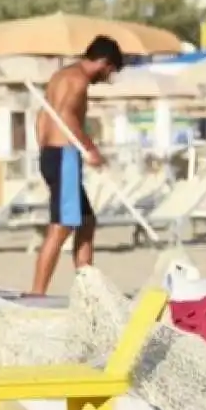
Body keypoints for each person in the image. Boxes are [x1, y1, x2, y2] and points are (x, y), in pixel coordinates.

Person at [29, 35, 124, 295]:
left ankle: (88, 290)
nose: (108, 77)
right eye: (110, 71)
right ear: (103, 62)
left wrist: (45, 147)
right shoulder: (79, 80)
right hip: (64, 156)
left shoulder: (61, 76)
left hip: (52, 153)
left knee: (86, 221)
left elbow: (42, 117)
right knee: (61, 227)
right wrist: (90, 150)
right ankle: (37, 293)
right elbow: (67, 115)